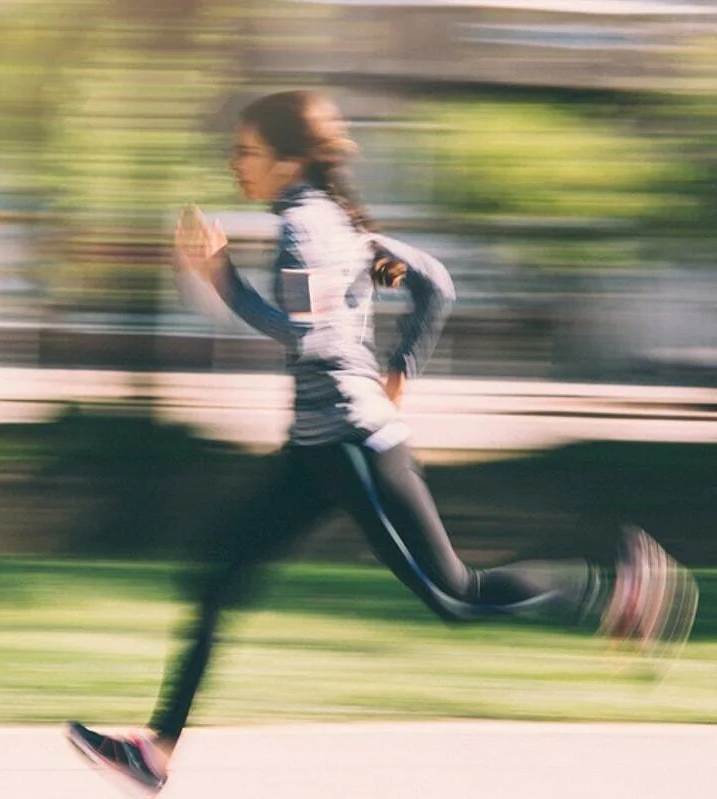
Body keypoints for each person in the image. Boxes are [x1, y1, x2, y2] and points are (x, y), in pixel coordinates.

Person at [65, 90, 699, 796]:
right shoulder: (335, 221)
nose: (234, 162)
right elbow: (436, 283)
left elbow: (315, 337)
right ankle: (156, 751)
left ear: (288, 159)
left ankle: (616, 589)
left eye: (246, 150)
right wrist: (403, 368)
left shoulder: (306, 225)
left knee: (455, 595)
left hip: (351, 445)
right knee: (217, 573)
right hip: (315, 450)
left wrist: (224, 283)